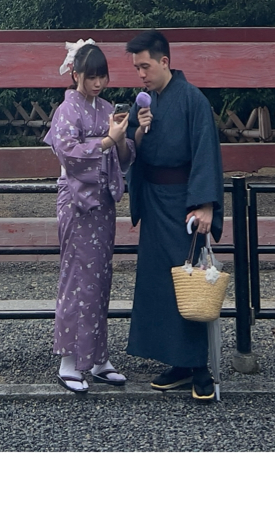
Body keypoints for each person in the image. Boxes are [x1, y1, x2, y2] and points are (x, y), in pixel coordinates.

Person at [123, 29, 225, 401]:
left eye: (145, 66)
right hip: (153, 199)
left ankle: (199, 367)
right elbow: (131, 149)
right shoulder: (144, 103)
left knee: (189, 280)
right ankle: (177, 362)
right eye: (136, 68)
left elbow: (206, 152)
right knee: (161, 284)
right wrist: (140, 132)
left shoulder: (192, 100)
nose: (141, 75)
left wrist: (205, 205)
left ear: (165, 61)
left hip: (184, 202)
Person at [44, 40, 132, 394]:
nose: (97, 84)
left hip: (103, 202)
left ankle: (97, 358)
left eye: (102, 77)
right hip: (77, 202)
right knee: (75, 277)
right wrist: (108, 141)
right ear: (75, 75)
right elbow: (69, 152)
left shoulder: (107, 109)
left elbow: (124, 158)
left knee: (100, 276)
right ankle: (68, 360)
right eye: (91, 77)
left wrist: (123, 137)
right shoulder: (67, 110)